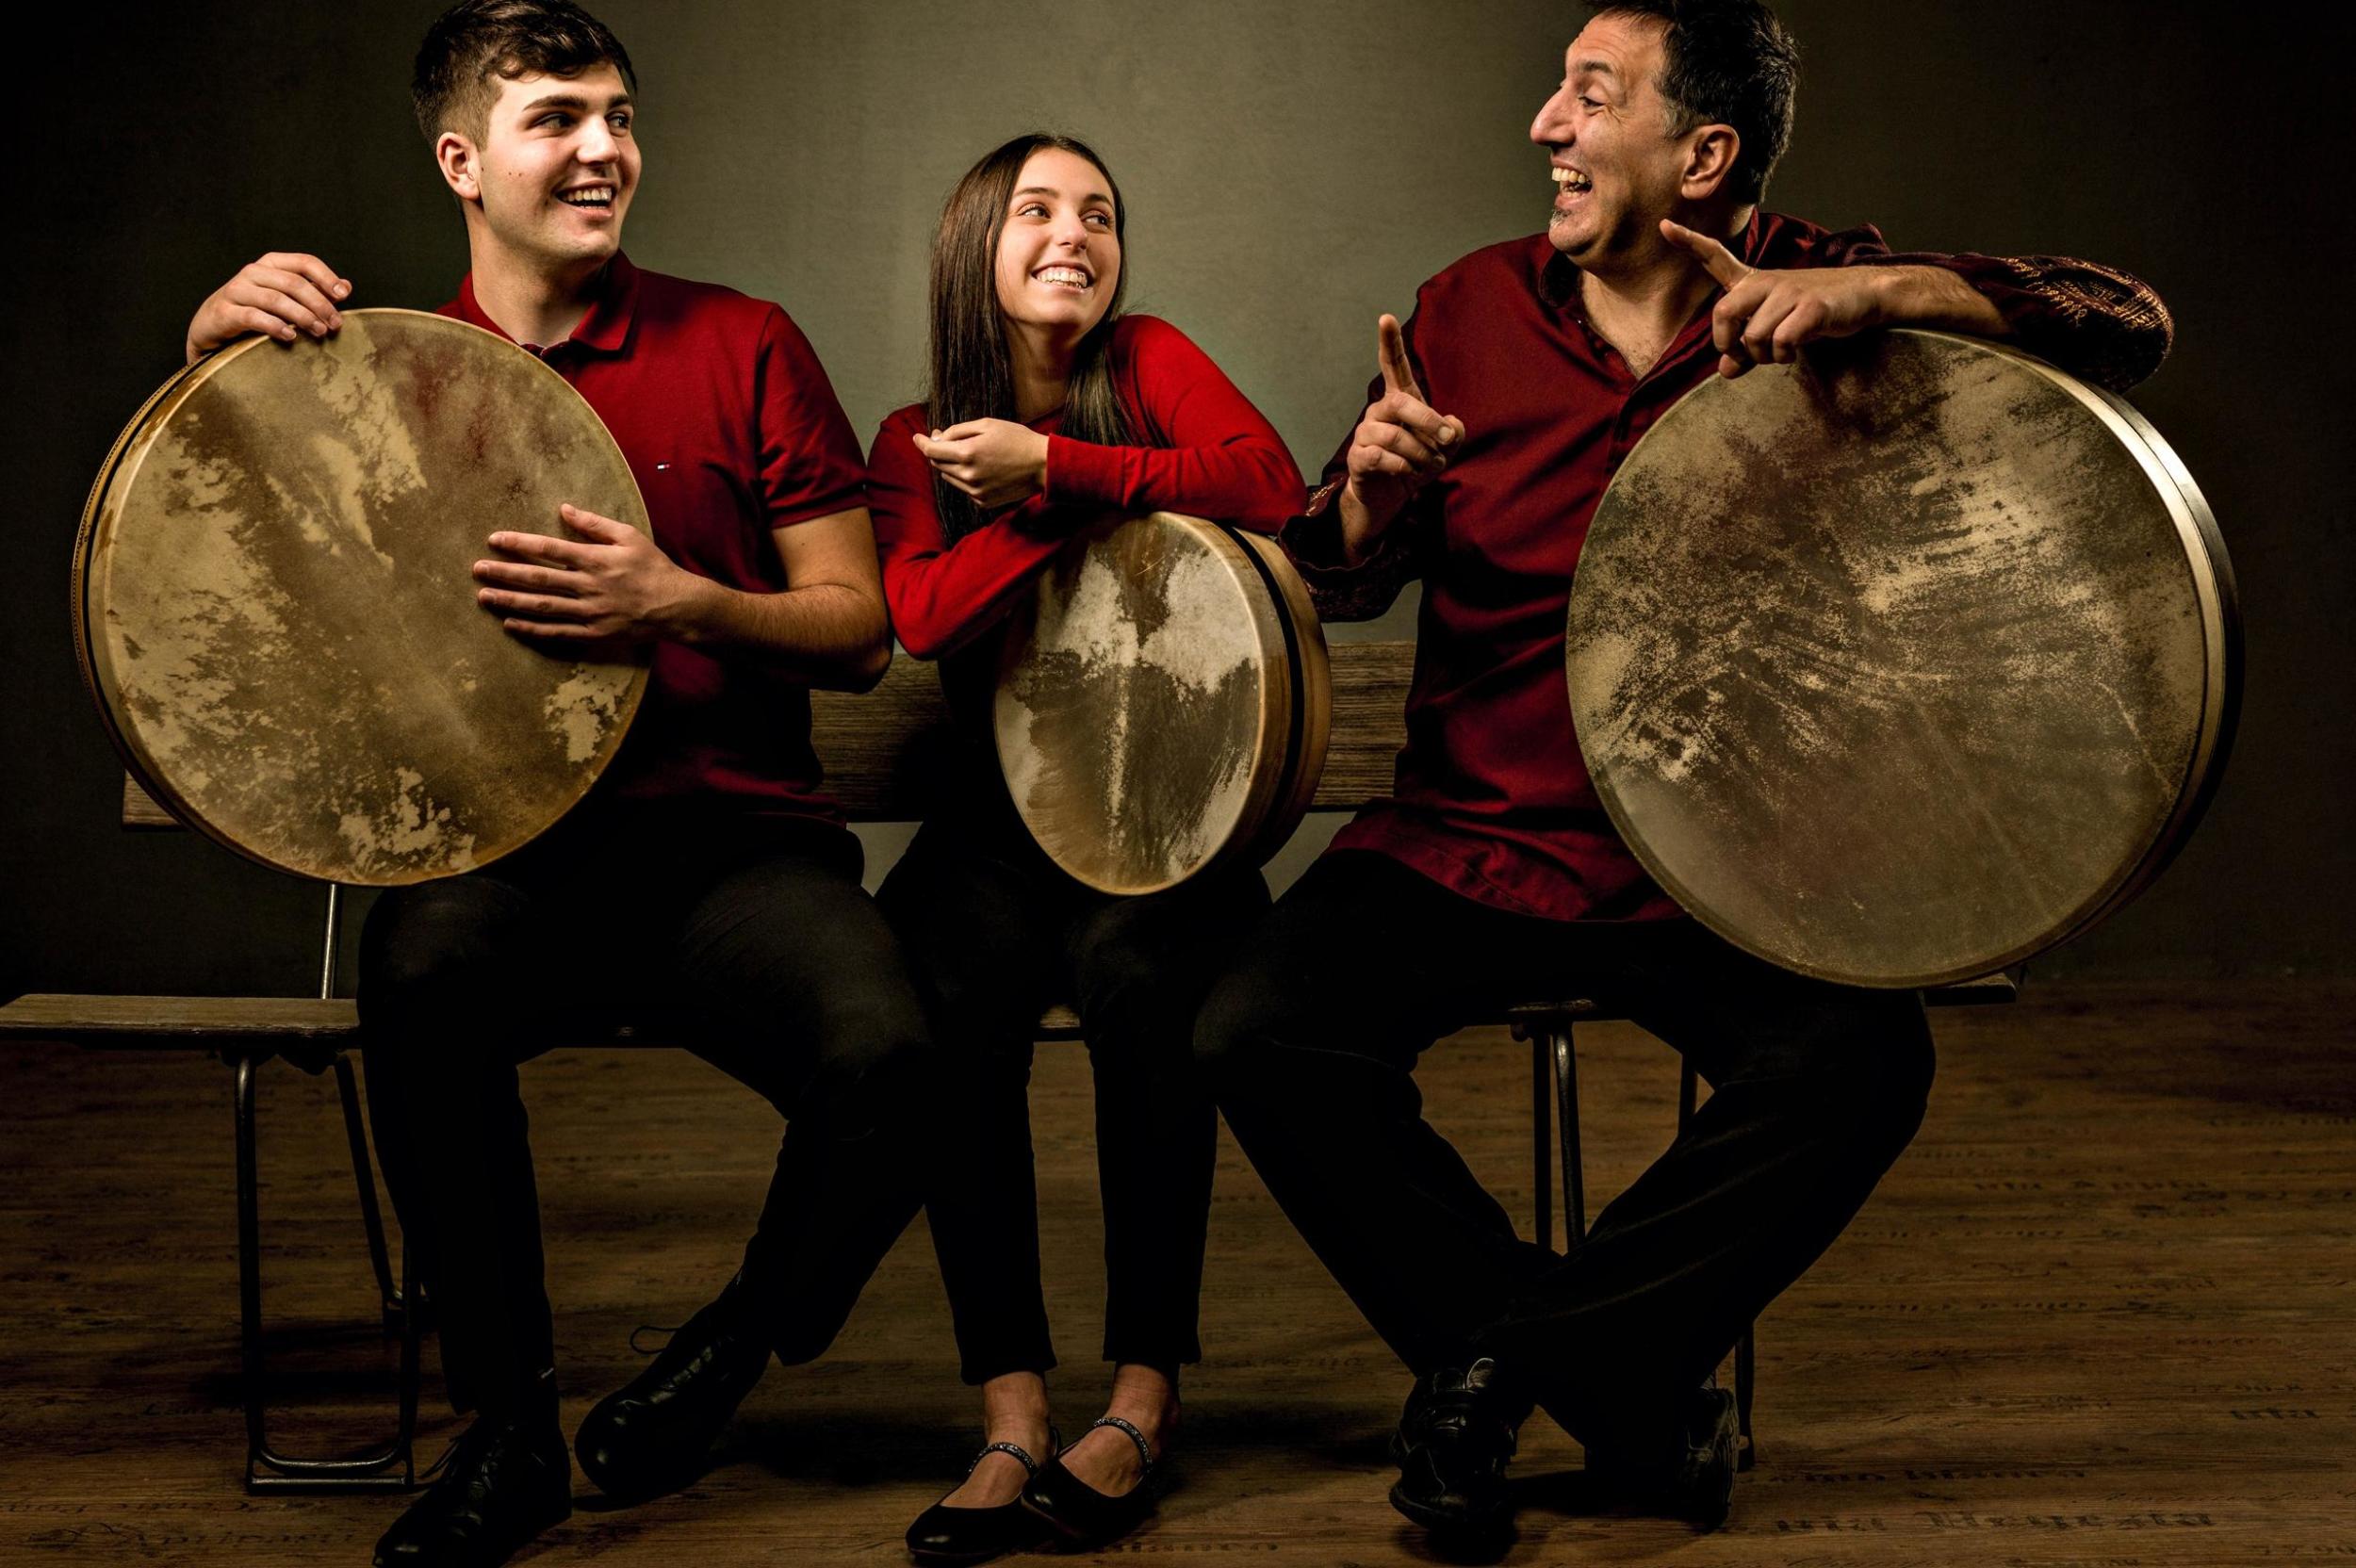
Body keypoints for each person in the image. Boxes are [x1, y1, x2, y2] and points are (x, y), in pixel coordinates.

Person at [1189, 0, 2172, 1540]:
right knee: (1253, 1027)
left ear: (1705, 154)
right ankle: (1627, 1395)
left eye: (1590, 96)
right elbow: (1329, 577)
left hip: (1737, 864)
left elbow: (2128, 323)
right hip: (1473, 836)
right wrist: (1368, 503)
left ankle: (1499, 1371)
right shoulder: (1466, 306)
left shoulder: (1839, 291)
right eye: (1557, 95)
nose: (1545, 129)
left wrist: (1887, 293)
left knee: (1860, 1068)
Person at [182, 5, 935, 1564]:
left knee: (896, 1052)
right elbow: (221, 583)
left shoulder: (747, 343)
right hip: (506, 857)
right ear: (462, 160)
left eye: (620, 114)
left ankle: (729, 1350)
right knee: (425, 969)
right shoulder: (370, 371)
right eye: (556, 118)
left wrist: (681, 604)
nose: (605, 149)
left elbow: (857, 632)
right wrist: (209, 371)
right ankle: (507, 1433)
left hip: (731, 855)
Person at [859, 134, 1302, 1561]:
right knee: (945, 1008)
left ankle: (1140, 1397)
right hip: (997, 829)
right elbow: (921, 619)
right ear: (973, 244)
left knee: (1144, 993)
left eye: (1099, 213)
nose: (1074, 234)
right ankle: (1011, 1412)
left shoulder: (1147, 358)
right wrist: (1063, 505)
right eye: (1038, 210)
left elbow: (1265, 484)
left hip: (1169, 819)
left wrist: (1053, 467)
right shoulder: (910, 440)